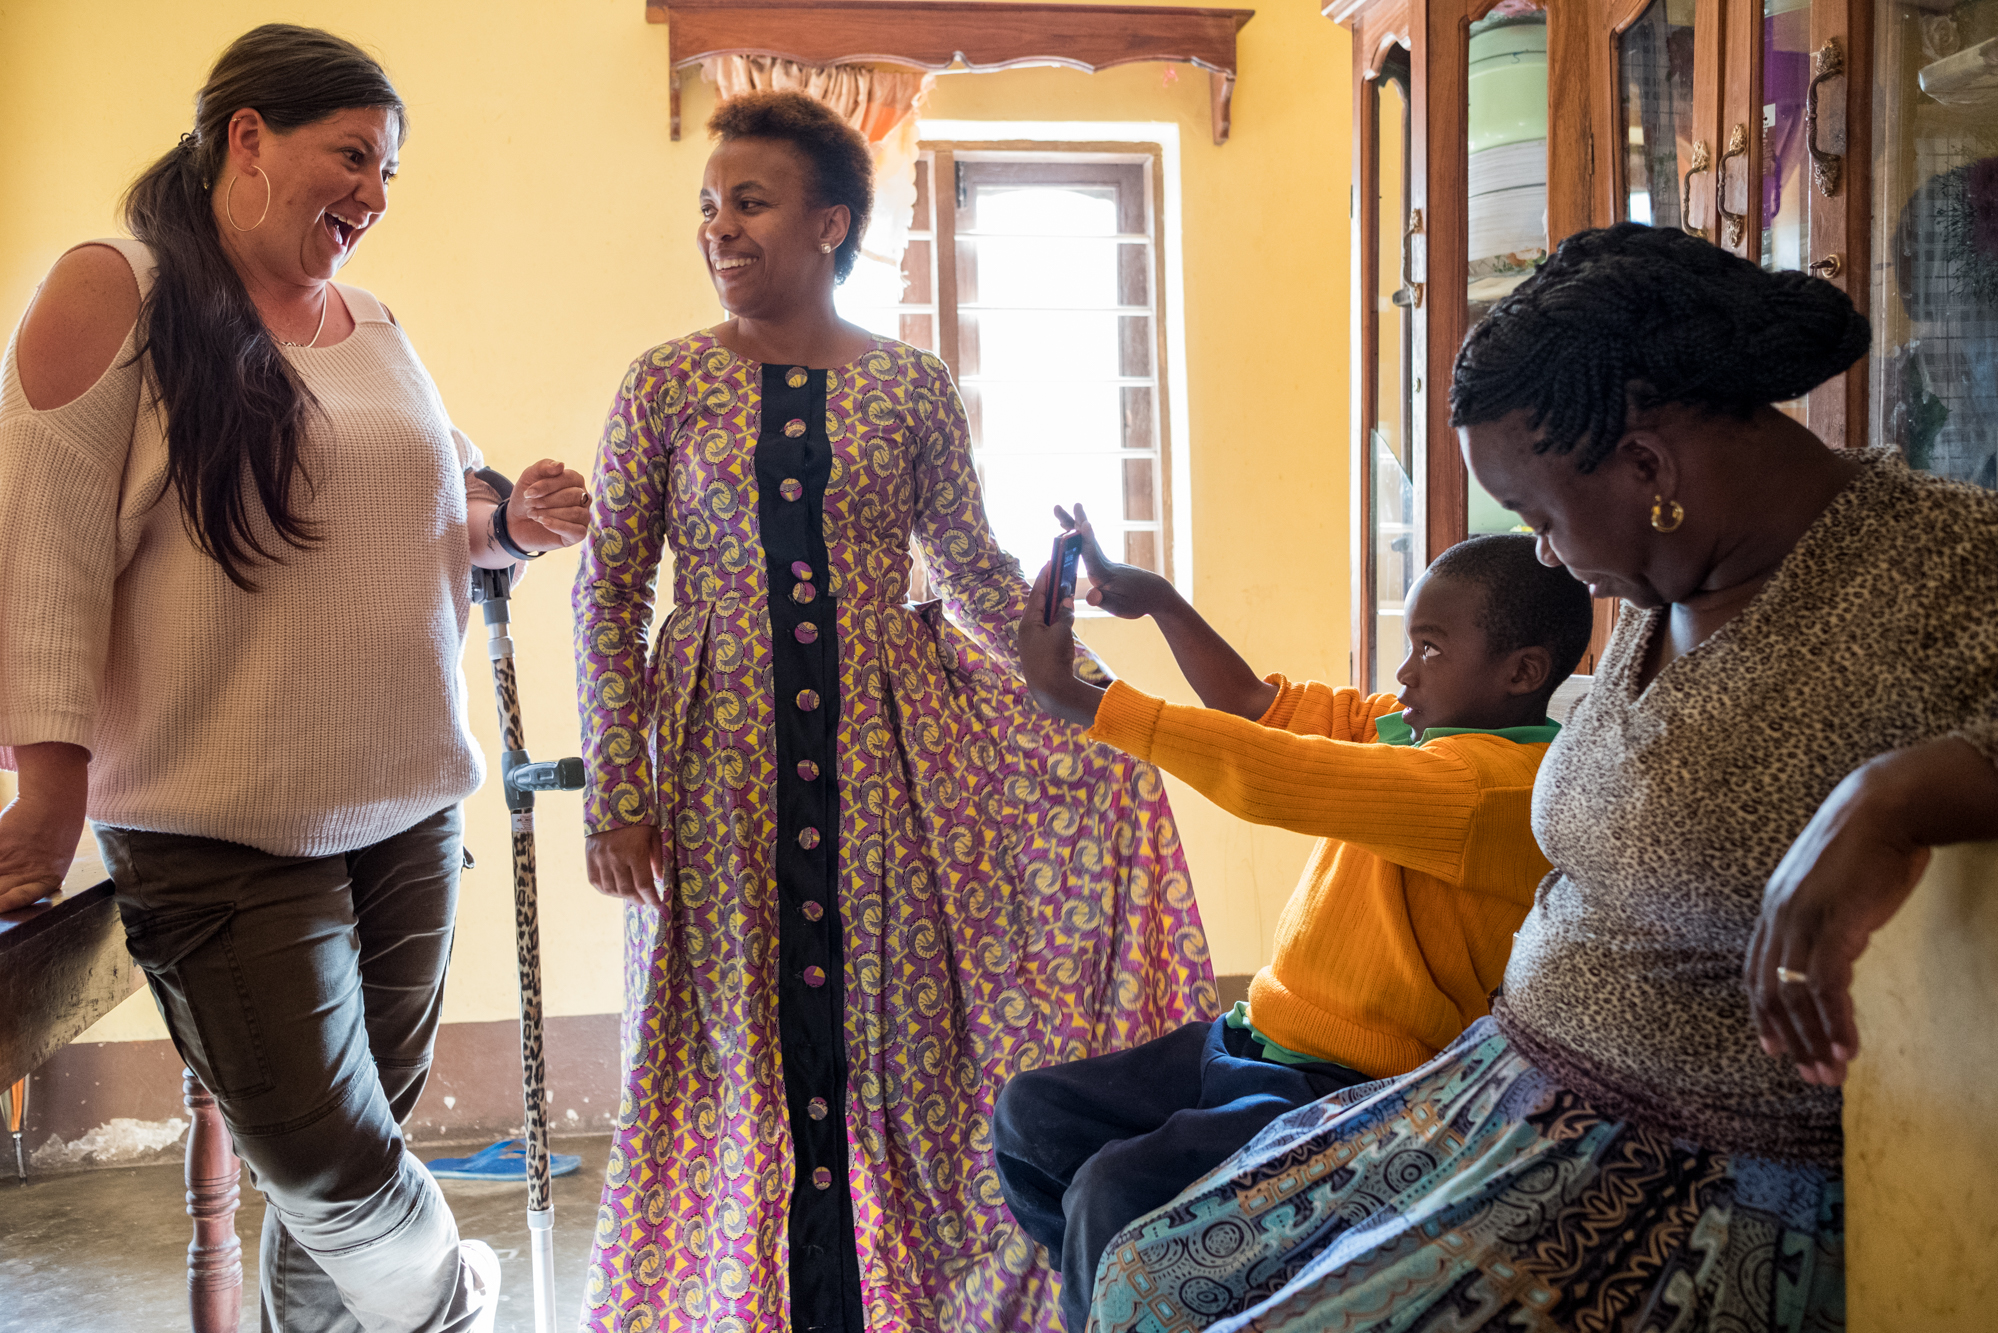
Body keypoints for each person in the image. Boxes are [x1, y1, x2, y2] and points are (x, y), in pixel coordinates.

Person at [1083, 223, 1998, 1333]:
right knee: (1144, 1275)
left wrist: (1900, 790)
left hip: (1678, 1178)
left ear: (1647, 467)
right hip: (1504, 1091)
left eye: (1536, 519)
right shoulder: (1671, 582)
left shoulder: (1941, 566)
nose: (1546, 558)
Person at [571, 90, 1216, 1333]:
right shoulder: (662, 384)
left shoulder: (910, 386)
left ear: (831, 223)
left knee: (892, 1051)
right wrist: (619, 792)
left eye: (748, 203)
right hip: (717, 767)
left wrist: (1097, 705)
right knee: (737, 1055)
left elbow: (968, 569)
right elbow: (609, 587)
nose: (719, 229)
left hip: (887, 754)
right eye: (707, 207)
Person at [0, 25, 587, 1333]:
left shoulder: (374, 327)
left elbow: (428, 516)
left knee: (343, 1190)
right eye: (353, 156)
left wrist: (512, 522)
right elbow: (44, 554)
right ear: (248, 139)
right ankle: (458, 1300)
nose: (373, 196)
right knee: (333, 1165)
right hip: (217, 830)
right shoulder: (116, 290)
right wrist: (49, 796)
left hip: (411, 813)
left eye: (390, 173)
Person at [1001, 520, 1595, 1333]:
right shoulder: (1408, 725)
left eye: (1430, 648)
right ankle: (1138, 1301)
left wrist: (1084, 701)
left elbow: (1280, 776)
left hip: (1348, 1088)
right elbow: (1258, 709)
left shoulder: (1491, 789)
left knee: (1114, 1190)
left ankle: (1141, 1298)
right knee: (1033, 1118)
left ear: (1522, 672)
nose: (1403, 669)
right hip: (1252, 1039)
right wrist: (1163, 603)